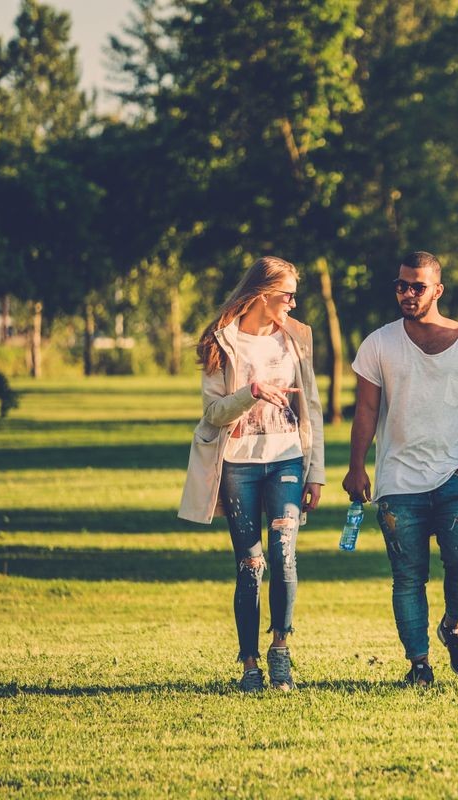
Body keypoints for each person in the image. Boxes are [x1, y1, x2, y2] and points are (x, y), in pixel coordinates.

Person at [343, 251, 458, 687]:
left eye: (418, 286)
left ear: (438, 290)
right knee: (407, 576)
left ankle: (453, 625)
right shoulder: (379, 343)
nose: (409, 293)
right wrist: (356, 465)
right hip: (398, 480)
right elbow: (366, 408)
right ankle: (419, 664)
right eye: (402, 285)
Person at [179, 256, 325, 692]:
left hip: (285, 460)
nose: (294, 304)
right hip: (238, 464)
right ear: (263, 296)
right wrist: (252, 392)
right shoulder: (222, 342)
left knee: (283, 553)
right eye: (288, 295)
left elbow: (310, 405)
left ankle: (280, 651)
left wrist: (314, 471)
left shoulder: (296, 339)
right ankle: (249, 664)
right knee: (250, 564)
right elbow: (212, 413)